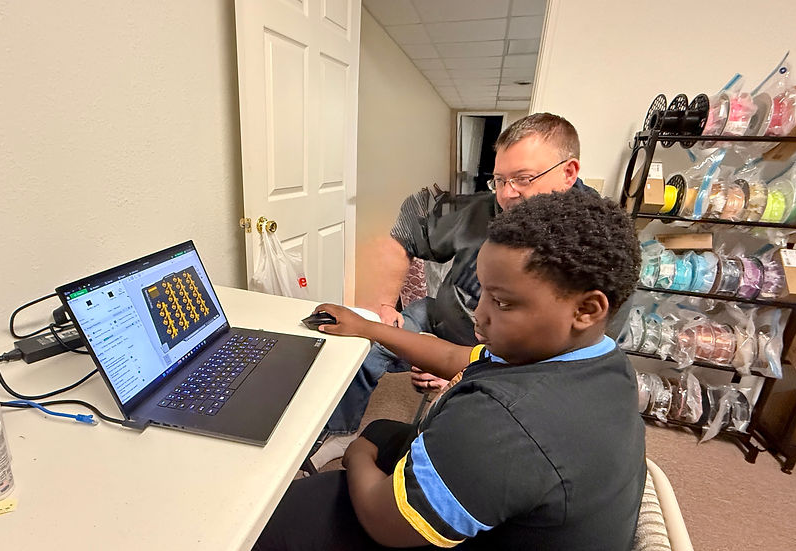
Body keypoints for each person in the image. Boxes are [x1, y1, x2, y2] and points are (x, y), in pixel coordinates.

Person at [253, 191, 646, 550]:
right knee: (381, 431)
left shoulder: (505, 422)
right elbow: (457, 357)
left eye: (503, 303)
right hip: (524, 503)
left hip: (394, 523)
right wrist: (368, 327)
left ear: (586, 309)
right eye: (484, 293)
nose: (479, 314)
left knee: (289, 513)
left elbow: (384, 523)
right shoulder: (601, 359)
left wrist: (356, 456)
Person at [313, 113, 597, 467]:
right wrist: (383, 309)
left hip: (496, 357)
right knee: (368, 341)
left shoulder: (593, 244)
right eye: (500, 180)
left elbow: (548, 367)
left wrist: (459, 371)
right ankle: (340, 430)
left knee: (446, 433)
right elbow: (404, 235)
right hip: (441, 319)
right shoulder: (484, 208)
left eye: (523, 179)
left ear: (568, 172)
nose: (508, 194)